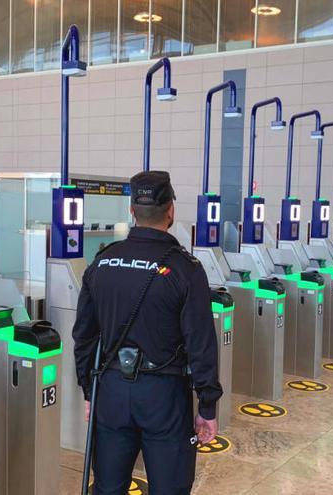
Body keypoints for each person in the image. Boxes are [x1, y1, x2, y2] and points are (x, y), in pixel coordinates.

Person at [73, 170, 222, 495]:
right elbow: (201, 344)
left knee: (109, 487)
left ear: (132, 211)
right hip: (164, 395)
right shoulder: (186, 269)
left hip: (110, 391)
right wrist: (207, 406)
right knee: (170, 487)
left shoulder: (102, 263)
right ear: (171, 211)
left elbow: (83, 336)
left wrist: (89, 390)